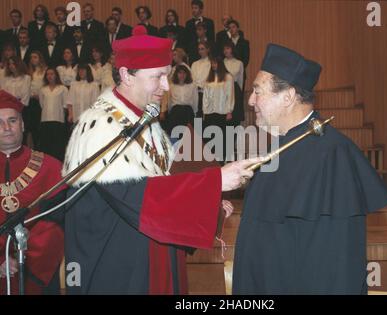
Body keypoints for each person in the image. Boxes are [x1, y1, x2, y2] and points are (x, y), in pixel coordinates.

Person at [62, 25, 258, 295]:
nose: (166, 86)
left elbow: (159, 184)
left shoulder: (144, 120)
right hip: (118, 265)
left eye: (166, 76)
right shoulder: (101, 127)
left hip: (147, 253)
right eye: (158, 77)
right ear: (126, 76)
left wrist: (206, 202)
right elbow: (137, 197)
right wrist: (215, 181)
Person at [232, 44, 387, 295]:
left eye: (257, 90)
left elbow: (337, 264)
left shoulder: (334, 155)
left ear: (288, 97)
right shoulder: (283, 143)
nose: (251, 99)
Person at [0, 90, 64, 295]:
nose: (6, 128)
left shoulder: (51, 168)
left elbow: (57, 222)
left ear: (23, 124)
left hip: (36, 269)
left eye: (12, 120)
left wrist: (26, 256)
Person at [202, 55, 234, 162]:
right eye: (212, 63)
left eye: (215, 63)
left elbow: (230, 95)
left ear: (220, 64)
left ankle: (221, 160)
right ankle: (212, 161)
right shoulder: (209, 78)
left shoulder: (228, 77)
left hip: (222, 112)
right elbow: (205, 96)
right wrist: (205, 111)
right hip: (211, 113)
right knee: (211, 137)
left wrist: (229, 110)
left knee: (222, 138)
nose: (213, 65)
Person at [38, 68, 68, 161]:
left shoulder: (63, 88)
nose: (50, 76)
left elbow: (65, 104)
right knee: (47, 144)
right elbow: (42, 104)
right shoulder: (43, 89)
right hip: (45, 119)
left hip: (58, 119)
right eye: (48, 74)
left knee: (57, 144)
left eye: (52, 74)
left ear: (56, 75)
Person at [223, 41, 245, 125]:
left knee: (235, 118)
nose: (225, 51)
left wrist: (238, 93)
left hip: (235, 89)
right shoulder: (221, 63)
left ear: (232, 49)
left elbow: (240, 81)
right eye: (224, 49)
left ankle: (235, 137)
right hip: (223, 89)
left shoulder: (239, 63)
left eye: (227, 48)